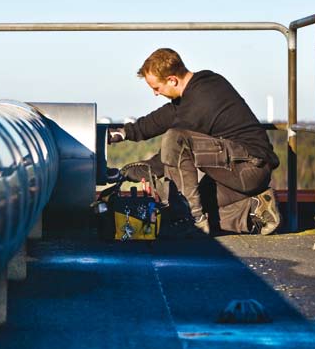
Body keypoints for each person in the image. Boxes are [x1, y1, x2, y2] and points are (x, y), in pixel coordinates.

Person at [107, 48, 281, 236]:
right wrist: (124, 133)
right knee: (176, 211)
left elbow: (173, 150)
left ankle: (195, 223)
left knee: (176, 141)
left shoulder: (203, 98)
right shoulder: (195, 90)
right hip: (233, 174)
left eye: (156, 88)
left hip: (249, 167)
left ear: (172, 80)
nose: (155, 94)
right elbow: (163, 117)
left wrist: (135, 170)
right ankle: (254, 209)